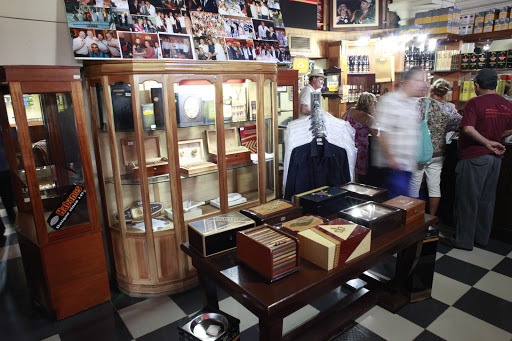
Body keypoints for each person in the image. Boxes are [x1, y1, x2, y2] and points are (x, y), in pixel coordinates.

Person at [450, 69, 512, 250]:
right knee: (487, 200)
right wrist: (494, 139)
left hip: (474, 156)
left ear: (477, 85)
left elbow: (468, 128)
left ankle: (463, 241)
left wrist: (487, 142)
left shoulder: (474, 102)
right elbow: (508, 130)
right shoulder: (506, 104)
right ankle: (481, 238)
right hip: (495, 158)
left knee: (468, 200)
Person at [371, 67, 428, 199]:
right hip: (394, 168)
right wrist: (391, 159)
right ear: (408, 81)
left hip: (407, 166)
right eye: (419, 80)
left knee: (406, 206)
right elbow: (381, 132)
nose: (423, 84)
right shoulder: (390, 101)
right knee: (395, 208)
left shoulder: (412, 103)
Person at [409, 79, 462, 216]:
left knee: (415, 185)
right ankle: (431, 218)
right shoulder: (450, 108)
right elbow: (459, 124)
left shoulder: (421, 103)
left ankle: (414, 217)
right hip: (439, 152)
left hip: (421, 150)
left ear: (431, 90)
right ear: (446, 93)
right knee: (434, 187)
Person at [342, 92, 377, 182]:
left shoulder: (349, 112)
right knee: (358, 174)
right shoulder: (369, 119)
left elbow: (340, 124)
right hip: (361, 149)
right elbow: (376, 135)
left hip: (347, 145)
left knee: (348, 169)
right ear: (370, 104)